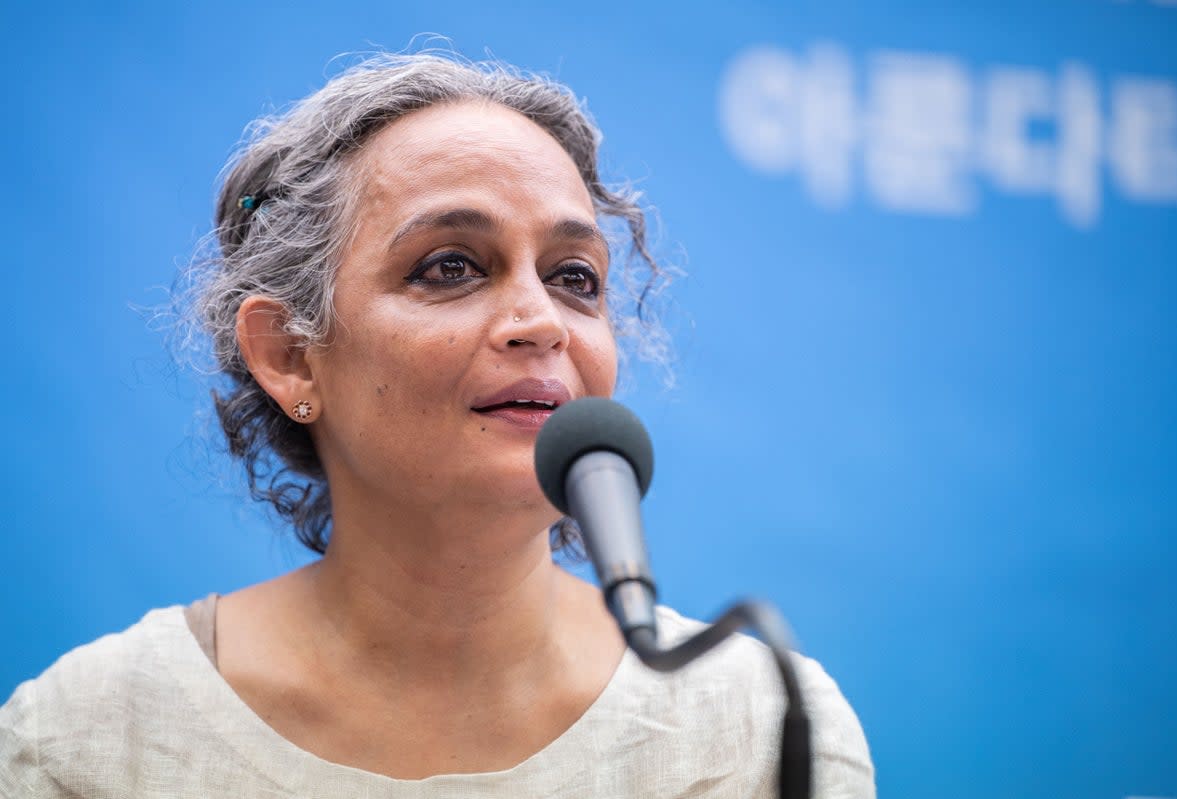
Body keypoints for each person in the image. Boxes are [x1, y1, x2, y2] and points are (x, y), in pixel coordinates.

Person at [0, 53, 874, 797]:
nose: (543, 322)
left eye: (575, 277)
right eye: (450, 266)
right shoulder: (87, 740)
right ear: (292, 357)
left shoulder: (761, 729)